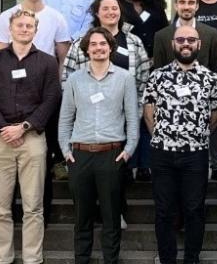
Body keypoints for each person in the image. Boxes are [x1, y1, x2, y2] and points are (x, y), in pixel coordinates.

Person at [0, 10, 61, 264]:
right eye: (20, 25)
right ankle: (3, 259)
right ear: (10, 29)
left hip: (32, 139)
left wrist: (24, 127)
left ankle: (32, 259)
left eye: (29, 26)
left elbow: (52, 98)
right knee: (0, 206)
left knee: (33, 206)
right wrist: (5, 128)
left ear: (36, 30)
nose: (24, 29)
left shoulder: (48, 62)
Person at [58, 29, 142, 264]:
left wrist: (128, 151)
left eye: (103, 43)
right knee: (81, 218)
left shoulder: (125, 78)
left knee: (111, 218)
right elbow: (65, 118)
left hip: (112, 155)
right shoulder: (74, 80)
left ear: (110, 47)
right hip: (80, 156)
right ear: (87, 50)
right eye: (93, 44)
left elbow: (132, 118)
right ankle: (81, 260)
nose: (98, 48)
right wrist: (66, 151)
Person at [143, 26, 217, 264]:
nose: (185, 43)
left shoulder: (211, 78)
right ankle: (167, 259)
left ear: (199, 44)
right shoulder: (157, 76)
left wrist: (196, 136)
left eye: (191, 39)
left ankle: (192, 259)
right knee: (164, 210)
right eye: (180, 39)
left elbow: (216, 115)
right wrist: (163, 137)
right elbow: (148, 112)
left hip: (195, 155)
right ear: (173, 44)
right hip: (162, 154)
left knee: (194, 209)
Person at [103, 0, 170, 59]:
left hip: (153, 60)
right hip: (123, 59)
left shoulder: (155, 7)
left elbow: (165, 32)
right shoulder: (114, 6)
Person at [154, 0, 217, 74]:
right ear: (175, 6)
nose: (186, 7)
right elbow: (158, 71)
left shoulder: (211, 34)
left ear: (197, 6)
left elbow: (216, 68)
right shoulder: (161, 36)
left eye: (191, 3)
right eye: (182, 2)